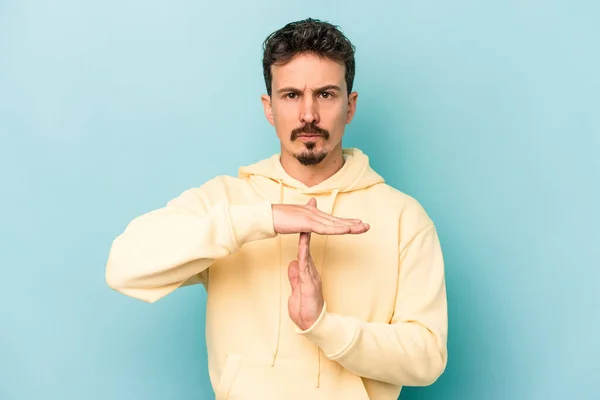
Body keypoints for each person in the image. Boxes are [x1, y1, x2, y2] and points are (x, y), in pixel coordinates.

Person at [105, 17, 448, 400]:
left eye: (326, 94)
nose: (308, 115)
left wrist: (323, 326)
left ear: (349, 106)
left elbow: (428, 356)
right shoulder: (228, 201)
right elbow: (124, 267)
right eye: (290, 95)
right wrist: (260, 218)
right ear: (269, 108)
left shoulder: (404, 218)